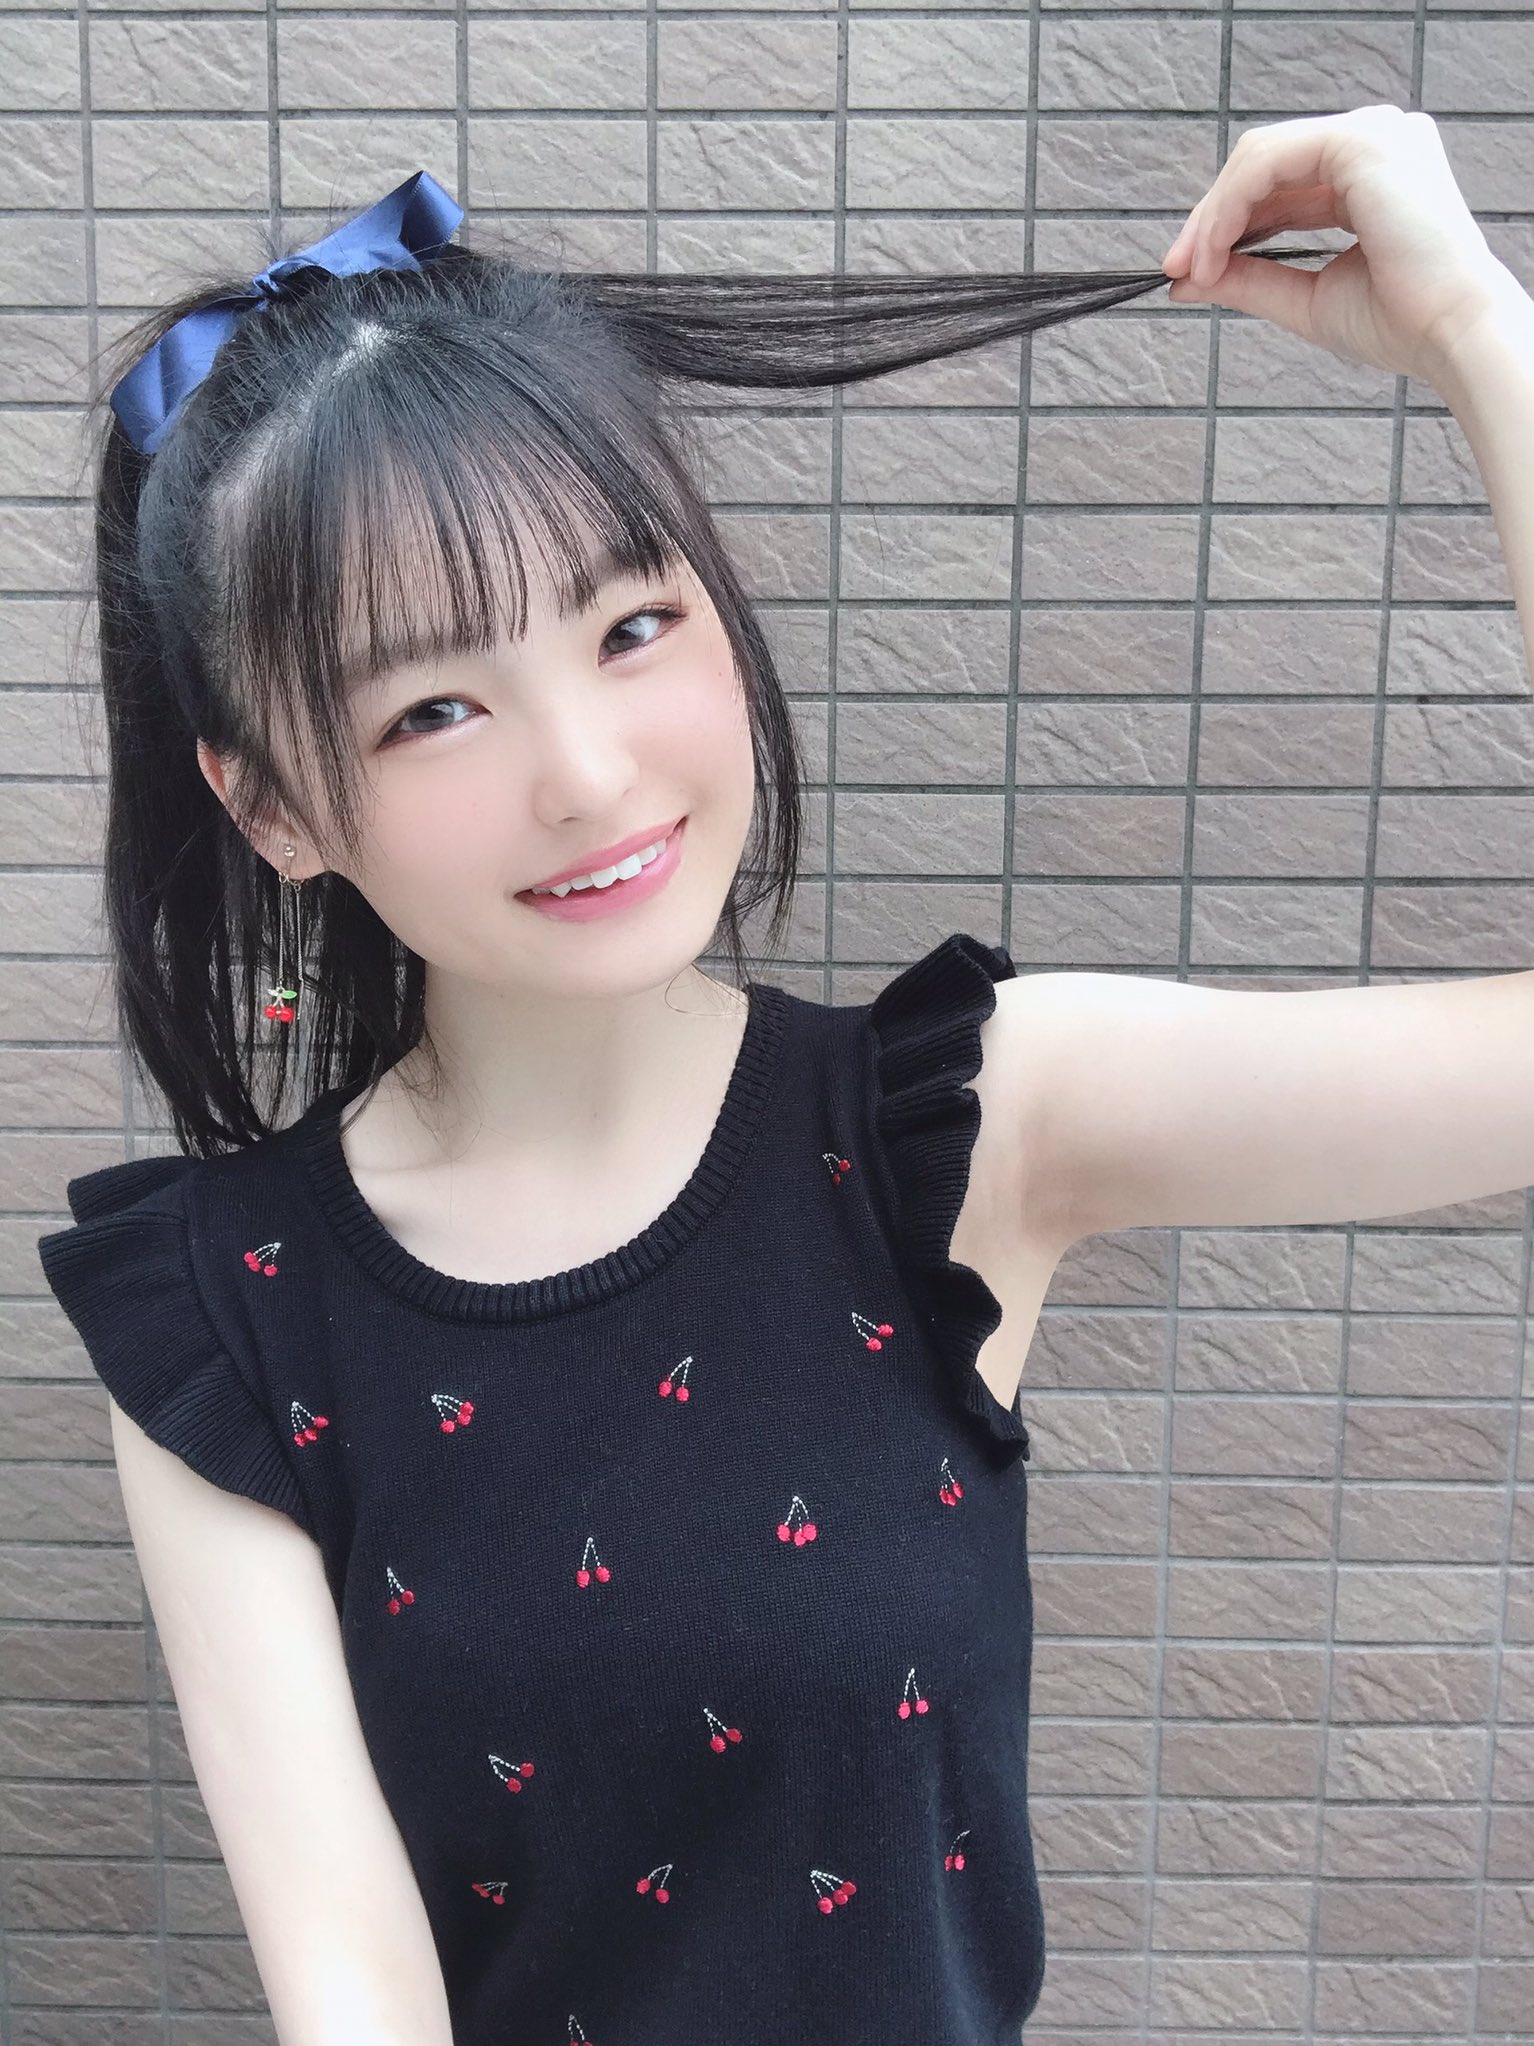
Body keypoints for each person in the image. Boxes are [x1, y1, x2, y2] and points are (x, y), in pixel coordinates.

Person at [35, 105, 1533, 2046]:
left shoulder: (963, 1129)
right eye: (435, 706)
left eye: (632, 624)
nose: (587, 771)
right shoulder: (224, 1319)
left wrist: (1478, 334)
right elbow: (355, 2000)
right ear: (270, 807)